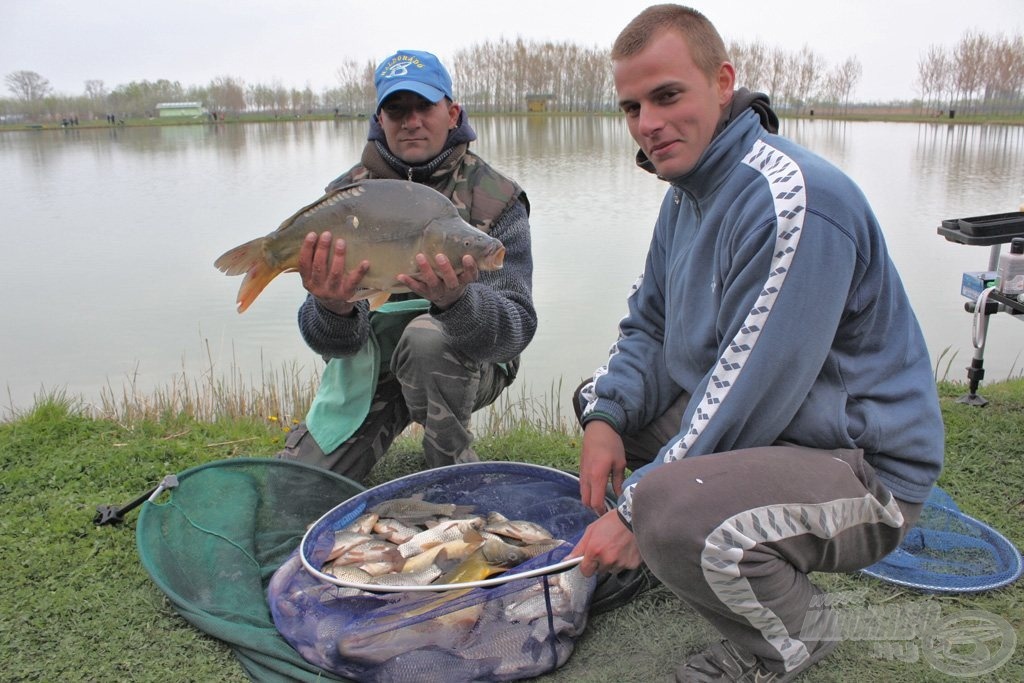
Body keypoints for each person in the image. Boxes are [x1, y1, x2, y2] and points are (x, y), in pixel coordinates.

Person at [568, 6, 944, 683]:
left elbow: (745, 394)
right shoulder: (686, 192)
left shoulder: (792, 196)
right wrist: (604, 417)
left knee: (668, 506)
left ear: (722, 82)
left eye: (667, 95)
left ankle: (790, 639)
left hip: (862, 465)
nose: (647, 123)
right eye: (631, 107)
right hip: (782, 428)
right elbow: (648, 326)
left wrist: (633, 510)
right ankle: (679, 543)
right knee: (605, 405)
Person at [277, 50, 535, 483]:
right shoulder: (347, 197)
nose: (410, 120)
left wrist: (458, 304)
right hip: (373, 361)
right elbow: (334, 346)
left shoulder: (497, 197)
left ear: (452, 113)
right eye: (396, 110)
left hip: (467, 362)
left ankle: (448, 471)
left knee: (425, 342)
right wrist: (333, 307)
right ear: (380, 119)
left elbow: (515, 331)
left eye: (424, 107)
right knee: (298, 487)